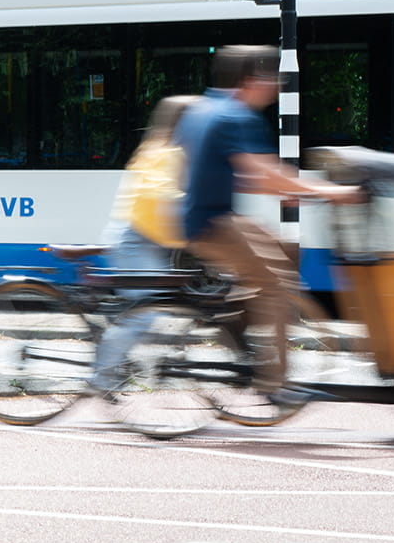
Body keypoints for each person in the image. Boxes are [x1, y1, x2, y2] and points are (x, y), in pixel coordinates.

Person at [173, 45, 357, 407]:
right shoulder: (236, 116)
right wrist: (329, 191)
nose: (275, 87)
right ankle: (275, 384)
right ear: (249, 79)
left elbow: (232, 171)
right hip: (214, 223)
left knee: (283, 251)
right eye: (272, 78)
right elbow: (265, 172)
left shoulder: (202, 109)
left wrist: (286, 190)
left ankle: (233, 322)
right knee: (277, 286)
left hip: (204, 218)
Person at [89, 95, 199, 392]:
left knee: (160, 305)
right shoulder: (165, 152)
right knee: (145, 314)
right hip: (135, 241)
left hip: (148, 242)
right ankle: (101, 378)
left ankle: (116, 360)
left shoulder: (170, 149)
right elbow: (158, 194)